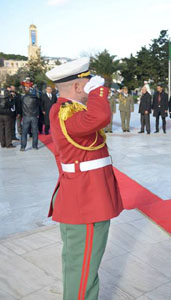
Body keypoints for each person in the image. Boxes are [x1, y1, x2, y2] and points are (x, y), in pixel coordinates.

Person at [45, 57, 124, 300]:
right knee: (82, 273)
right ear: (78, 87)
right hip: (85, 202)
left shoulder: (71, 110)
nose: (91, 86)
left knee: (82, 267)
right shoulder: (66, 111)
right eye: (87, 82)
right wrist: (100, 91)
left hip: (88, 197)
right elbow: (99, 119)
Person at [20, 86, 39, 151]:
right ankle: (35, 146)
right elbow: (38, 106)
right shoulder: (36, 98)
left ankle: (23, 146)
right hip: (34, 116)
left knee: (24, 132)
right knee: (35, 132)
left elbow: (20, 106)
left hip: (26, 116)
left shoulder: (23, 97)